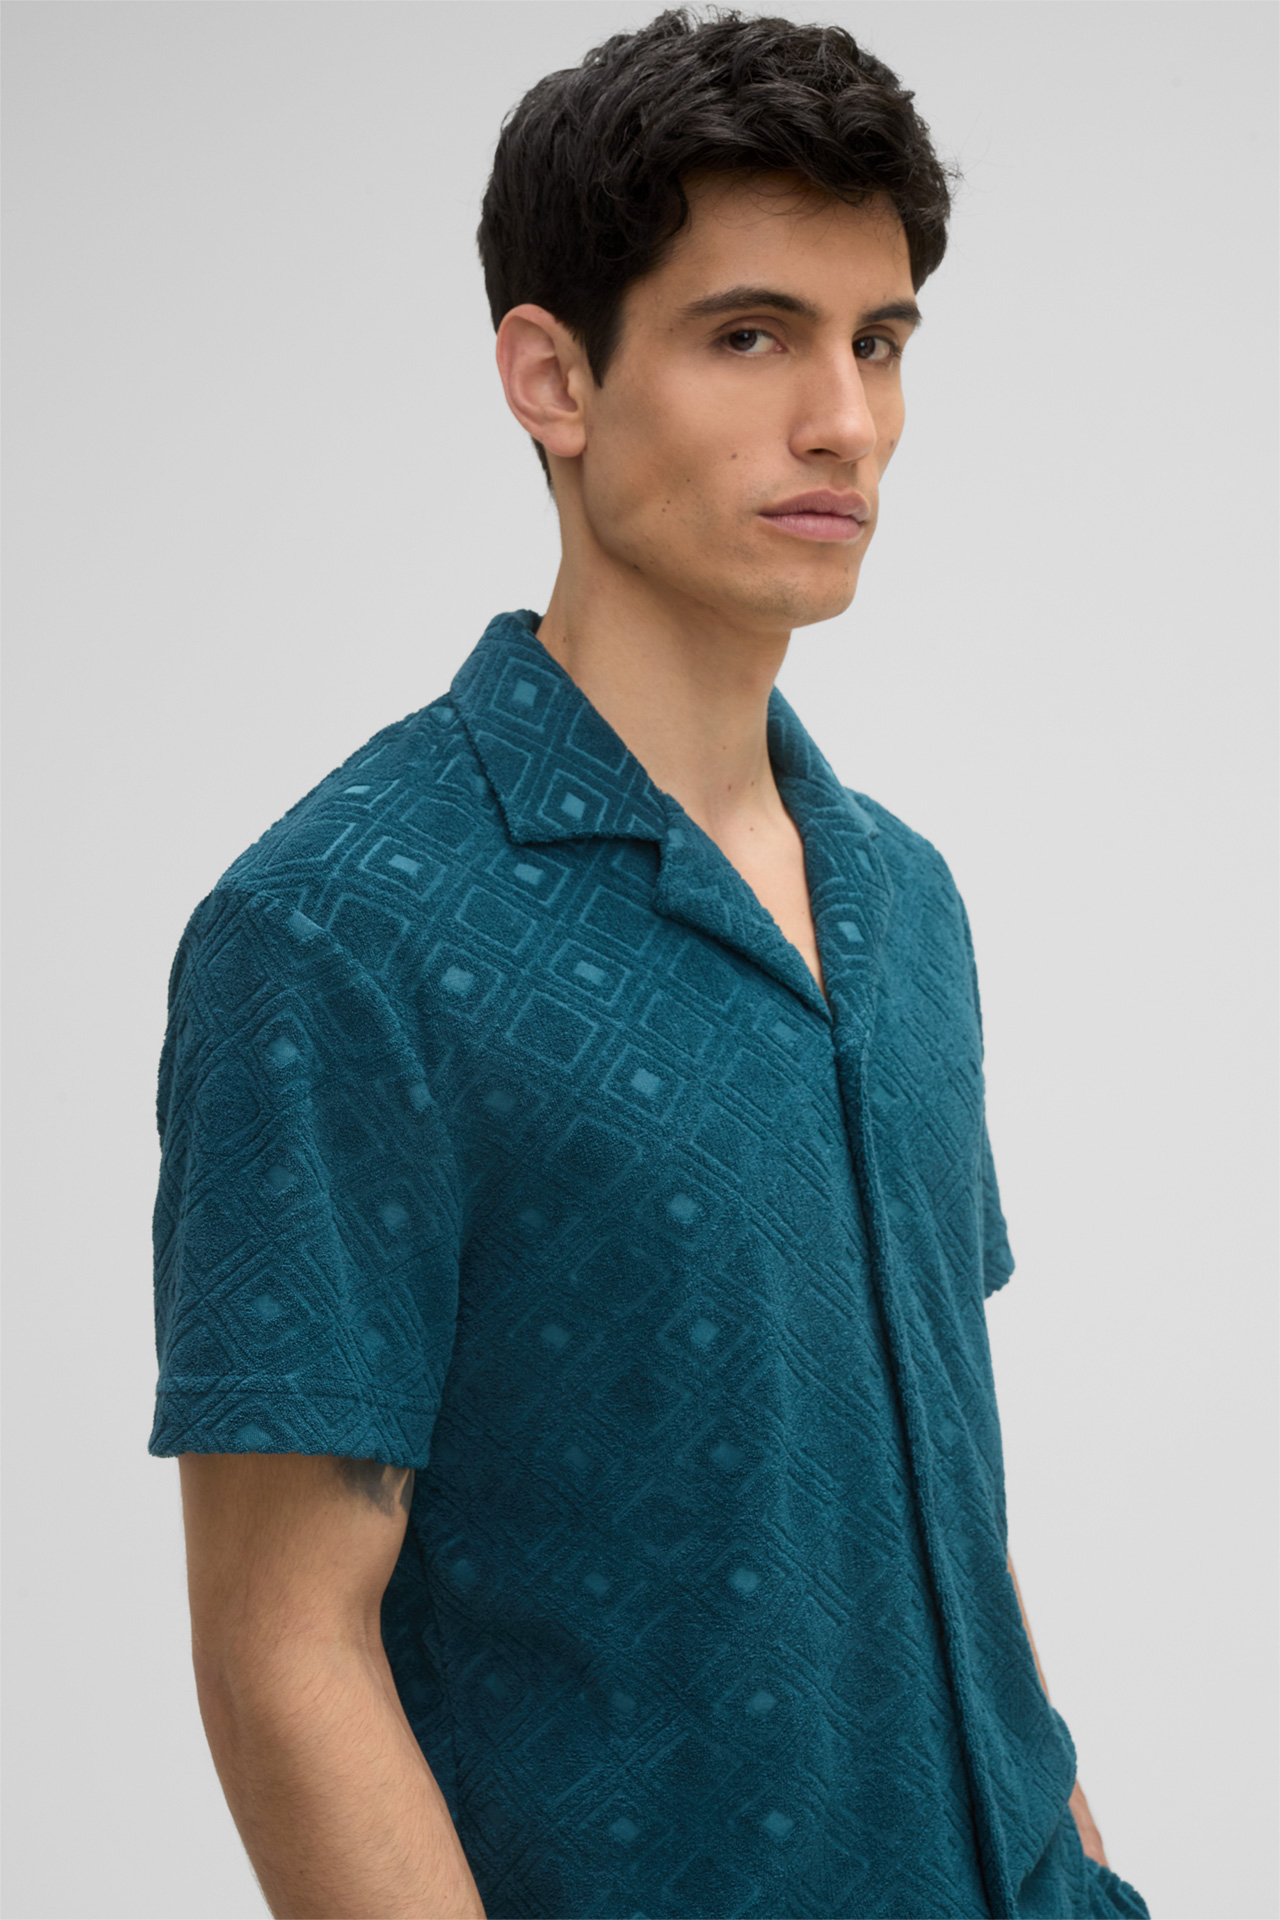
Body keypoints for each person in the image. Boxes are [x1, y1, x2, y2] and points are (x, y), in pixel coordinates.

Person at [148, 10, 1151, 1917]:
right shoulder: (336, 931)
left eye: (879, 343)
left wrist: (1081, 1847)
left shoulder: (908, 901)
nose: (843, 421)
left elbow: (938, 1478)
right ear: (554, 376)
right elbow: (285, 1650)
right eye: (751, 335)